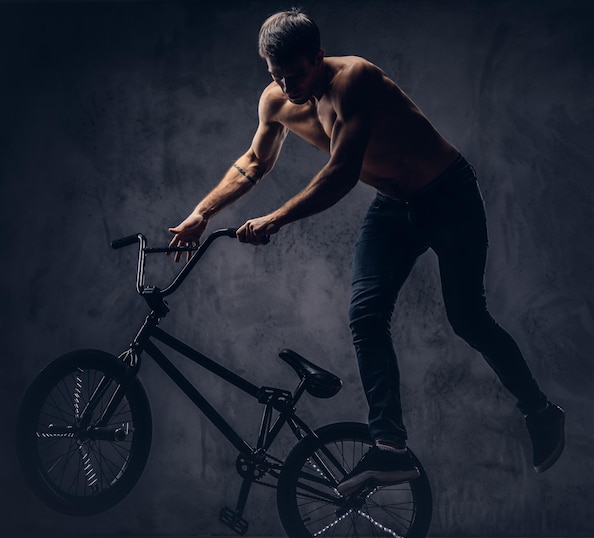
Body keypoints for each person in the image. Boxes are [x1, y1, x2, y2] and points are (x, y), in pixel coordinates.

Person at [168, 9, 565, 496]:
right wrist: (201, 212)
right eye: (276, 76)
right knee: (365, 315)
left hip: (448, 195)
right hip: (395, 205)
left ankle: (540, 411)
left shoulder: (355, 78)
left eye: (295, 75)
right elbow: (253, 162)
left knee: (468, 318)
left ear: (317, 57)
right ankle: (390, 449)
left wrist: (274, 219)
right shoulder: (276, 99)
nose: (287, 87)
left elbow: (341, 172)